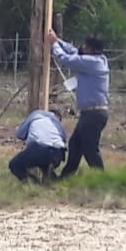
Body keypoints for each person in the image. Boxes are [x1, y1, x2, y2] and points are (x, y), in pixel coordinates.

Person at [45, 29, 110, 178]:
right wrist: (57, 40)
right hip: (90, 113)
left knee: (90, 148)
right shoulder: (97, 60)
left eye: (85, 46)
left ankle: (101, 179)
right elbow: (73, 51)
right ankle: (65, 178)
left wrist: (54, 44)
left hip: (93, 113)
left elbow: (65, 59)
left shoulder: (91, 63)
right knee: (75, 146)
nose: (82, 47)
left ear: (92, 49)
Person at [8, 109, 67, 183]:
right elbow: (64, 139)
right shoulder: (57, 123)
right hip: (58, 152)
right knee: (45, 163)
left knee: (14, 165)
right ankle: (51, 178)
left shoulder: (36, 114)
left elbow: (19, 134)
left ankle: (34, 182)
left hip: (38, 149)